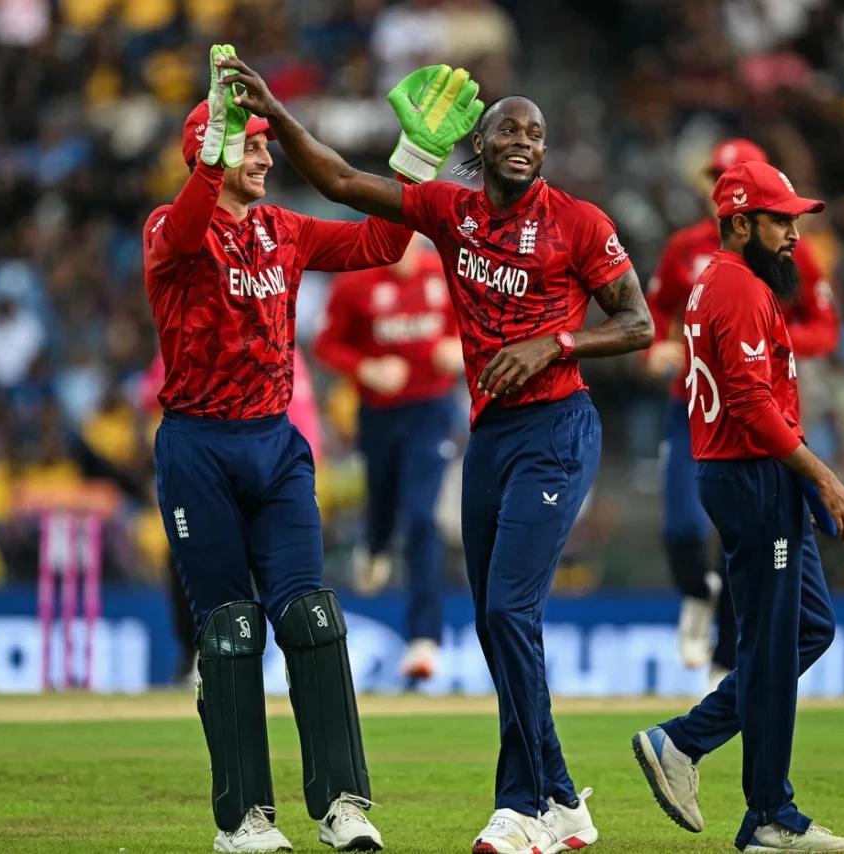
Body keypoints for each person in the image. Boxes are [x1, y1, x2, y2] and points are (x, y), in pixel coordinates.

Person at [218, 55, 655, 854]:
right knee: (496, 627)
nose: (525, 140)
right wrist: (278, 115)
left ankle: (520, 807)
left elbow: (638, 324)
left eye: (537, 133)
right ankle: (563, 798)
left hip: (558, 428)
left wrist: (554, 343)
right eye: (510, 129)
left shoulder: (580, 222)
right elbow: (346, 185)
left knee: (506, 611)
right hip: (489, 436)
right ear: (480, 144)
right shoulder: (451, 212)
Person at [144, 46, 477, 853]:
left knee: (312, 615)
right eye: (250, 142)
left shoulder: (283, 230)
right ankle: (242, 821)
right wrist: (216, 145)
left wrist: (416, 162)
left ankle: (343, 807)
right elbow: (188, 225)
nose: (266, 153)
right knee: (228, 630)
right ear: (212, 151)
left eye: (262, 141)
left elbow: (379, 245)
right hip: (198, 449)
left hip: (276, 446)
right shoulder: (169, 228)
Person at [631, 161, 844, 853]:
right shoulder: (735, 287)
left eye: (796, 218)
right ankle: (766, 811)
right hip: (752, 475)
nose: (796, 234)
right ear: (740, 222)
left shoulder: (727, 282)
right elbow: (752, 406)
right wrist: (825, 479)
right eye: (782, 220)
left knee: (807, 630)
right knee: (770, 643)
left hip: (751, 474)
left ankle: (688, 743)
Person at [645, 139, 838, 687]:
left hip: (754, 422)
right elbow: (654, 312)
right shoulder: (688, 251)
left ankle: (723, 667)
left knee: (755, 570)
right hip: (701, 412)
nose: (718, 184)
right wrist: (656, 346)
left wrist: (772, 336)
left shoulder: (774, 258)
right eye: (714, 174)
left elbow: (825, 328)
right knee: (685, 529)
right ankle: (696, 598)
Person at [313, 233, 464, 681]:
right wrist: (367, 369)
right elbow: (327, 344)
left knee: (421, 516)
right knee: (382, 495)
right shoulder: (355, 284)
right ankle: (375, 544)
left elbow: (480, 322)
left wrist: (459, 347)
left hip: (432, 410)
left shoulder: (445, 275)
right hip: (377, 413)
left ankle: (424, 639)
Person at [138, 348, 324, 685]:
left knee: (267, 576)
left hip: (273, 466)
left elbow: (307, 425)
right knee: (201, 566)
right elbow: (150, 396)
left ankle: (263, 658)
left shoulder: (280, 344)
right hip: (218, 464)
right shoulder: (203, 331)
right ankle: (199, 652)